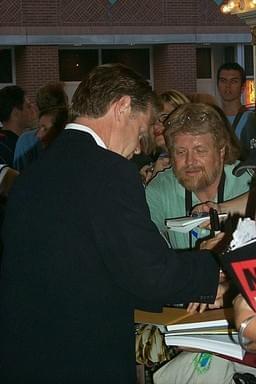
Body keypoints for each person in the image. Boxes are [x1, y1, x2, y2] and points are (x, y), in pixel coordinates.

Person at [0, 63, 223, 384]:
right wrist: (213, 266)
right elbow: (149, 274)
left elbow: (97, 270)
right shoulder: (108, 171)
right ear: (122, 107)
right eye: (142, 131)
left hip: (26, 354)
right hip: (80, 359)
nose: (137, 147)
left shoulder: (34, 172)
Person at [146, 103, 251, 250]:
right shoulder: (160, 189)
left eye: (200, 151)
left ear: (221, 151)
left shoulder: (247, 180)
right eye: (181, 152)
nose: (190, 162)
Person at [13, 82, 69, 171]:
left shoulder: (26, 141)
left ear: (38, 107)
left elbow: (18, 176)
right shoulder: (75, 137)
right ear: (66, 105)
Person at [217, 62, 256, 158]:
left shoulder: (250, 119)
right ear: (217, 84)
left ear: (243, 87)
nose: (228, 85)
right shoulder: (213, 118)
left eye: (234, 81)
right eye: (223, 81)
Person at [0, 85, 36, 167]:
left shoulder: (5, 143)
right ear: (16, 113)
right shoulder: (18, 147)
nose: (34, 110)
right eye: (28, 106)